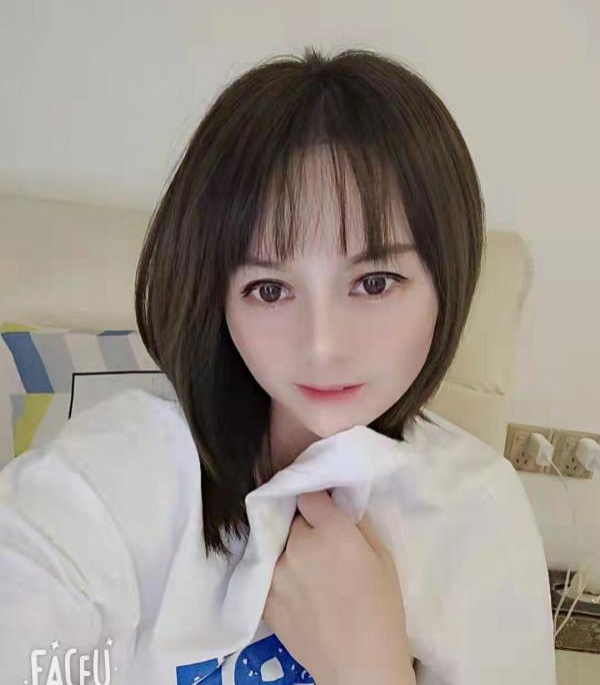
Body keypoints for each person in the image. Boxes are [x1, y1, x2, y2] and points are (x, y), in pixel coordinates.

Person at [0, 47, 556, 684]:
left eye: (374, 282)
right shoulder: (102, 485)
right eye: (269, 290)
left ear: (446, 283)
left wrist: (371, 669)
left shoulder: (478, 510)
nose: (321, 345)